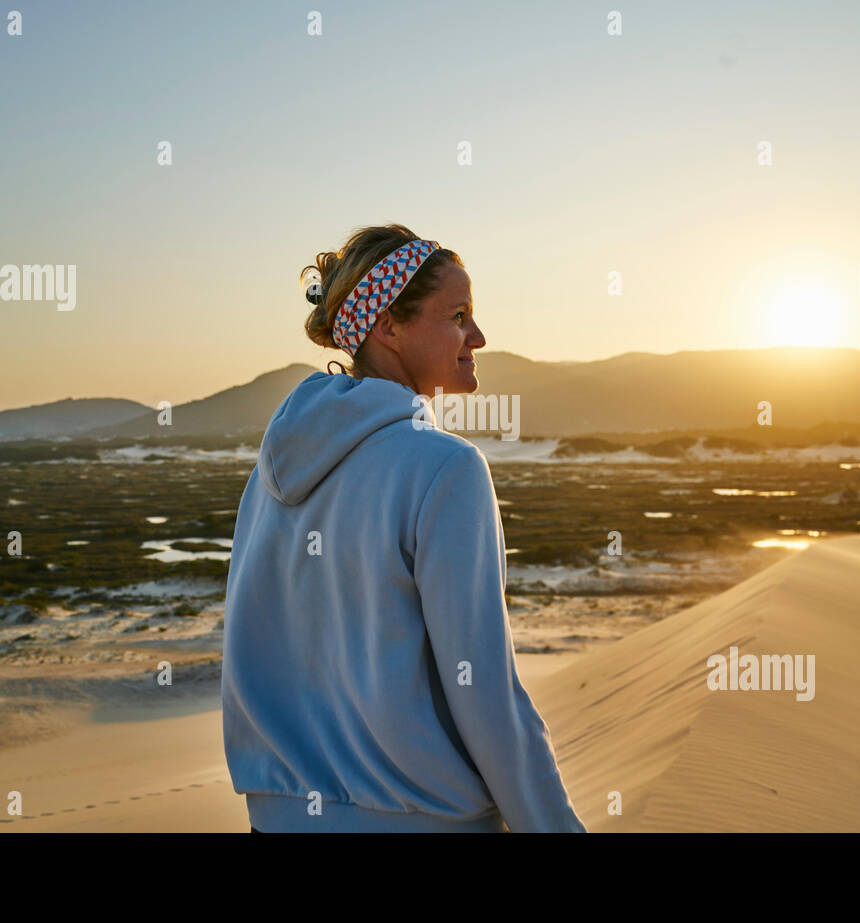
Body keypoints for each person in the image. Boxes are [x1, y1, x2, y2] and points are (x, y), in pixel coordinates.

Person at [221, 224, 587, 833]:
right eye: (458, 315)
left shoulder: (269, 474)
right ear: (388, 325)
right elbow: (485, 693)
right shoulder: (445, 466)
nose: (479, 336)